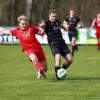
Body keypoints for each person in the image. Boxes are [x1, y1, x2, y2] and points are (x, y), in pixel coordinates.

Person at [0, 15, 48, 79]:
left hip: (38, 48)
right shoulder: (16, 31)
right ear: (19, 24)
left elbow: (42, 34)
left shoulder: (32, 28)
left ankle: (40, 72)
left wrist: (42, 27)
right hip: (28, 49)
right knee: (34, 58)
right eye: (22, 24)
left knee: (45, 68)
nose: (24, 25)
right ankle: (39, 69)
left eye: (25, 24)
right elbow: (5, 31)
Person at [39, 9, 73, 80]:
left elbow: (60, 26)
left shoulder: (57, 21)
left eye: (55, 16)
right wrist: (42, 27)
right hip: (54, 44)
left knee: (70, 60)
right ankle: (58, 77)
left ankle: (61, 70)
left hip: (62, 43)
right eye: (52, 16)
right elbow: (42, 33)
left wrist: (65, 28)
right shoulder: (46, 23)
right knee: (58, 60)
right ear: (49, 16)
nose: (54, 18)